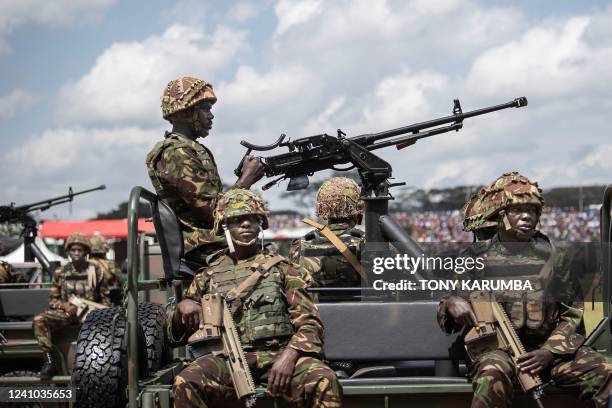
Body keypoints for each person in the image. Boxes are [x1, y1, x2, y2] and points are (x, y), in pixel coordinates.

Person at [437, 172, 611, 407]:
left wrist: (549, 352)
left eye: (532, 211)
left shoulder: (555, 256)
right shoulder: (475, 257)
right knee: (492, 375)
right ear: (501, 216)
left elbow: (573, 313)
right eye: (517, 211)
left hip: (552, 353)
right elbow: (448, 305)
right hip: (499, 351)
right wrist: (452, 304)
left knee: (607, 372)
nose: (526, 216)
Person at [168, 189, 342, 408]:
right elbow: (175, 335)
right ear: (224, 226)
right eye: (237, 220)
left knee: (324, 379)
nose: (246, 225)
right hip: (227, 362)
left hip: (279, 356)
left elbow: (310, 324)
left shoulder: (283, 269)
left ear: (261, 225)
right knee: (187, 382)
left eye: (253, 219)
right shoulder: (207, 277)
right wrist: (182, 307)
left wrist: (289, 357)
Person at [145, 77, 264, 264]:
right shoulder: (176, 153)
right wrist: (245, 180)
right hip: (202, 245)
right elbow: (213, 211)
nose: (211, 115)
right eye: (206, 109)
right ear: (188, 112)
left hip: (212, 239)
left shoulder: (190, 149)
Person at [33, 232, 111, 379]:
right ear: (68, 252)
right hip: (68, 314)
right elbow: (53, 300)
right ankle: (50, 362)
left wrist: (93, 312)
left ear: (86, 252)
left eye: (80, 250)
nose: (76, 253)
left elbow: (105, 301)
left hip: (91, 316)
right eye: (73, 250)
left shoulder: (96, 271)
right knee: (39, 320)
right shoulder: (60, 272)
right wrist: (65, 306)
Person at [289, 177, 365, 289]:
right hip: (360, 306)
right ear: (357, 207)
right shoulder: (365, 242)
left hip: (314, 306)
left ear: (321, 207)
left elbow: (294, 286)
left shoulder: (299, 245)